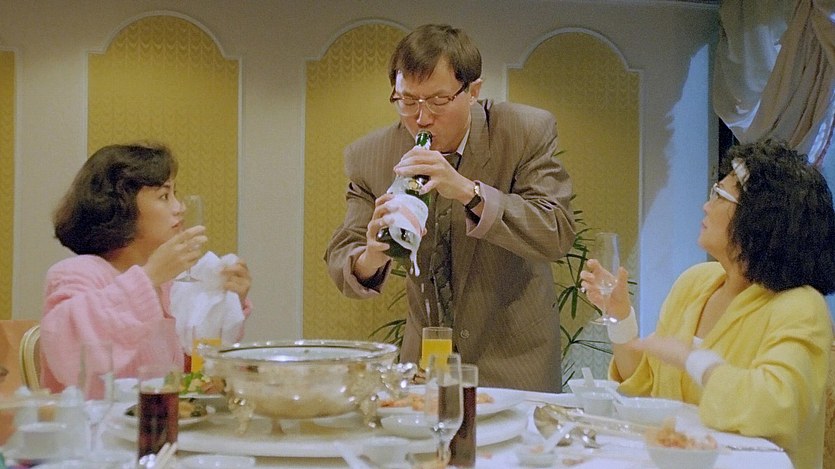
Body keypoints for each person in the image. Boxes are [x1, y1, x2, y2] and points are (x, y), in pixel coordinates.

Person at [325, 24, 576, 392]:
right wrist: (371, 255)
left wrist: (467, 191)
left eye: (438, 100)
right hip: (426, 365)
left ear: (472, 91)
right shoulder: (370, 155)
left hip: (515, 362)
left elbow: (556, 231)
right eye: (407, 100)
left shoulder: (524, 131)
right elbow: (343, 255)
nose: (421, 118)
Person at [580, 139, 835, 469]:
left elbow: (775, 408)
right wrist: (620, 318)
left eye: (719, 195)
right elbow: (646, 389)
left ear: (759, 217)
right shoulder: (695, 282)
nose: (705, 205)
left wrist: (694, 359)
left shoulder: (800, 306)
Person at [40, 143, 252, 392]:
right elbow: (71, 355)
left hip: (156, 415)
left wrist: (224, 302)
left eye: (175, 194)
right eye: (164, 196)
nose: (180, 207)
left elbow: (188, 373)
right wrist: (149, 277)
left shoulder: (169, 286)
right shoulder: (75, 273)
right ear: (122, 207)